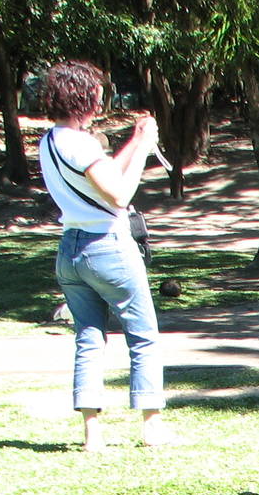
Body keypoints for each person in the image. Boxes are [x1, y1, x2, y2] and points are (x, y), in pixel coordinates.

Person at [37, 60, 168, 451]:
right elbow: (119, 194)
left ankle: (92, 433)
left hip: (71, 248)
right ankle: (152, 427)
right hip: (107, 245)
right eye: (97, 92)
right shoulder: (81, 143)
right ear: (84, 97)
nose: (101, 98)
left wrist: (132, 141)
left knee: (89, 337)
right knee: (143, 336)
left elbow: (104, 173)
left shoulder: (50, 140)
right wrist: (144, 147)